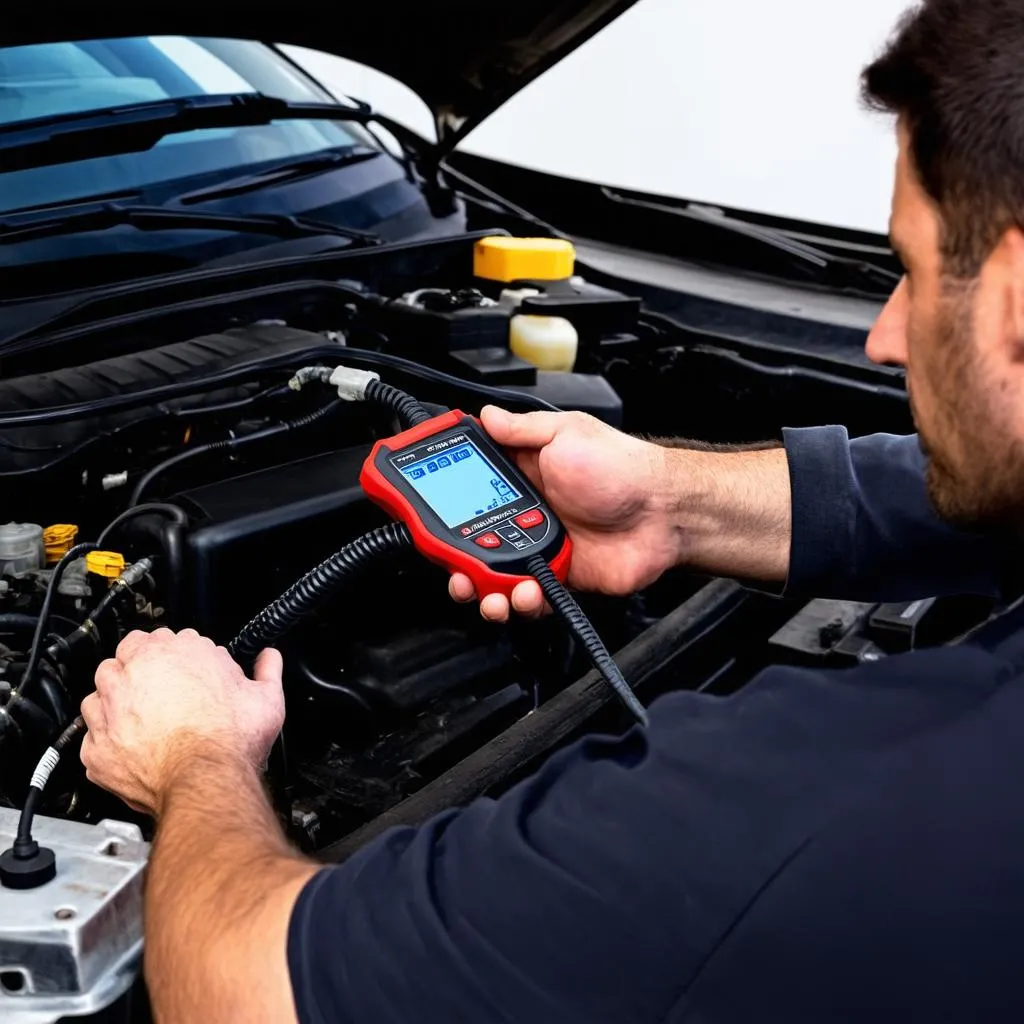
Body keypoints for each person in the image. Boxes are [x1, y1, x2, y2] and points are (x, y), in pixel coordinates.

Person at [78, 2, 1024, 1020]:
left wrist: (194, 757)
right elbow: (923, 497)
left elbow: (243, 989)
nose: (883, 338)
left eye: (913, 275)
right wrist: (675, 502)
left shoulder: (820, 813)